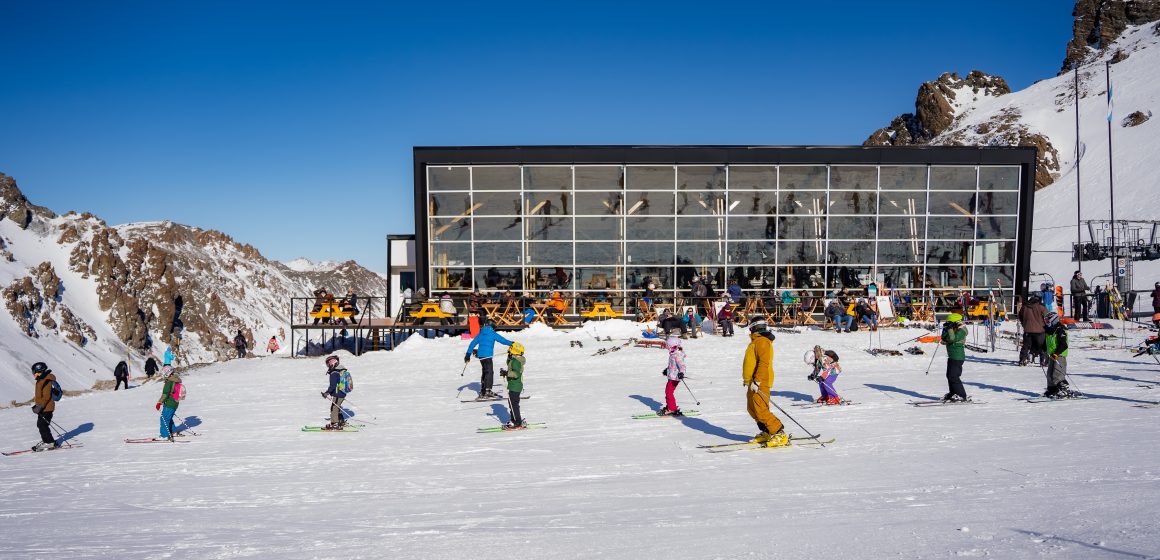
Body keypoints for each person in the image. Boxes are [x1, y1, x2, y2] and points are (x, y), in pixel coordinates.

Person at [742, 321, 787, 446]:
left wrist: (757, 380)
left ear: (754, 328)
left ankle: (779, 433)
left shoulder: (762, 341)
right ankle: (767, 431)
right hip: (752, 382)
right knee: (752, 409)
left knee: (761, 410)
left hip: (760, 381)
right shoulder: (756, 341)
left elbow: (763, 363)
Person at [465, 319, 514, 399]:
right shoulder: (492, 333)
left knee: (485, 371)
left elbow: (472, 343)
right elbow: (503, 340)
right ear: (492, 326)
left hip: (481, 355)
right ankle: (487, 391)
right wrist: (512, 343)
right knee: (489, 372)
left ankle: (483, 391)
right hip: (487, 356)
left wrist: (468, 354)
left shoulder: (481, 333)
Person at [1044, 312, 1080, 399]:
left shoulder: (1060, 329)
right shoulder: (1049, 330)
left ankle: (1064, 390)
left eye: (1048, 321)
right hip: (1052, 355)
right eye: (1045, 321)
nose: (1046, 323)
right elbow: (1047, 343)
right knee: (1049, 374)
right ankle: (1052, 390)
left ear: (1054, 320)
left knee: (1057, 374)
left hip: (1059, 355)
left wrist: (1056, 353)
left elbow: (1063, 345)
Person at [30, 362, 60, 451]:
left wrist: (40, 407)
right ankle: (47, 441)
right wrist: (38, 405)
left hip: (46, 407)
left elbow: (46, 396)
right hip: (43, 407)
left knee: (42, 425)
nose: (34, 374)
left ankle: (49, 443)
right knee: (41, 425)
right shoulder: (41, 380)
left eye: (35, 372)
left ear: (40, 371)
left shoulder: (46, 380)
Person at [940, 313, 969, 402]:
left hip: (957, 356)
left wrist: (950, 329)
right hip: (952, 356)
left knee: (954, 376)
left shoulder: (962, 330)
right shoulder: (954, 329)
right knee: (949, 376)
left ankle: (962, 395)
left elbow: (952, 338)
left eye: (950, 322)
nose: (948, 323)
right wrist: (946, 328)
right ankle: (953, 393)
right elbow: (944, 338)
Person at [321, 355, 353, 430]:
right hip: (343, 392)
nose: (328, 366)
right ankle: (341, 421)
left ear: (332, 363)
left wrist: (327, 393)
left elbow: (333, 385)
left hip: (337, 393)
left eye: (328, 364)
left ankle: (335, 423)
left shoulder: (334, 373)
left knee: (334, 408)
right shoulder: (341, 370)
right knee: (337, 407)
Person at [501, 342, 528, 430]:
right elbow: (510, 364)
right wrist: (508, 358)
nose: (508, 351)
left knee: (514, 404)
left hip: (515, 386)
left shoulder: (516, 361)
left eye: (510, 350)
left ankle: (518, 422)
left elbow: (516, 374)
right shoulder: (515, 360)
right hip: (513, 386)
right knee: (512, 404)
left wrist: (506, 373)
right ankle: (514, 420)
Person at [657, 336, 687, 416]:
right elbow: (672, 366)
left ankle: (672, 409)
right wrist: (667, 370)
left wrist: (681, 373)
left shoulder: (677, 355)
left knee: (669, 392)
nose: (667, 348)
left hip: (675, 378)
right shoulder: (673, 354)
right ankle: (670, 406)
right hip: (672, 376)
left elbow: (682, 366)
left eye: (668, 346)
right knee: (668, 392)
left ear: (673, 346)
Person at [1017, 294, 1048, 366]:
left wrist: (1024, 324)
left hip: (1028, 330)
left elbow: (1020, 316)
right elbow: (1047, 318)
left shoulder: (1024, 307)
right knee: (1042, 346)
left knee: (1025, 346)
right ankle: (1043, 361)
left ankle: (1022, 360)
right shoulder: (1041, 307)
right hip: (1040, 330)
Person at [156, 366, 183, 441]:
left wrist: (159, 402)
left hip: (170, 403)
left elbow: (165, 394)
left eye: (164, 373)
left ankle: (164, 435)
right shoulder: (175, 380)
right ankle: (173, 431)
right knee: (168, 417)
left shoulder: (169, 382)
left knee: (164, 418)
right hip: (175, 402)